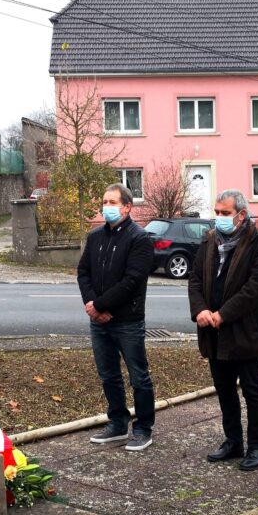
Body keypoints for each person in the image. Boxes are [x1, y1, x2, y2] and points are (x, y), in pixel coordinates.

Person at [188, 190, 258, 472]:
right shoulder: (210, 240)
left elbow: (256, 289)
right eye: (217, 212)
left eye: (225, 213)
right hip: (214, 331)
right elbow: (195, 278)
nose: (220, 218)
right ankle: (233, 441)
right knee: (224, 389)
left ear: (241, 214)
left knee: (252, 390)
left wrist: (222, 314)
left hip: (245, 331)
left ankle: (256, 447)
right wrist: (200, 309)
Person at [77, 183, 156, 451]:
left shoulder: (139, 239)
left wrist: (98, 305)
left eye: (112, 202)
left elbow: (132, 281)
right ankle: (118, 422)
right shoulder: (96, 236)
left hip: (127, 321)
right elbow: (83, 272)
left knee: (138, 377)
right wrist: (91, 305)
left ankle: (143, 428)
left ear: (127, 207)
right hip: (99, 322)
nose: (106, 207)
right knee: (108, 374)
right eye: (105, 202)